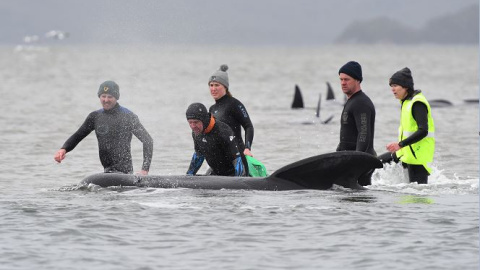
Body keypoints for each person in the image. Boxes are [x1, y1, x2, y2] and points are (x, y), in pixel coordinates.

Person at [54, 81, 153, 175]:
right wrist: (63, 149)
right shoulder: (95, 117)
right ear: (99, 97)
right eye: (103, 96)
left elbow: (148, 140)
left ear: (116, 97)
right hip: (106, 172)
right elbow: (78, 136)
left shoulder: (128, 116)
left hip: (125, 174)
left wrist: (145, 170)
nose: (106, 100)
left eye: (110, 97)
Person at [382, 67, 435, 184]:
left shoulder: (417, 103)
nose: (392, 89)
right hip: (405, 152)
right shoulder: (406, 102)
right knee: (376, 163)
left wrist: (400, 144)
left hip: (418, 157)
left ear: (405, 86)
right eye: (391, 86)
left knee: (417, 196)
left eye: (395, 85)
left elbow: (423, 130)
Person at [337, 61, 377, 186]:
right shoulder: (352, 101)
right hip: (352, 160)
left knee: (359, 201)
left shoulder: (361, 103)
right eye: (341, 79)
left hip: (360, 162)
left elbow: (364, 134)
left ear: (358, 80)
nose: (343, 83)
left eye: (347, 79)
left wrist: (356, 162)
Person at [185, 102, 247, 177]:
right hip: (215, 174)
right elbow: (199, 155)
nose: (193, 126)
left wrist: (237, 181)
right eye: (190, 122)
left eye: (196, 122)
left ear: (204, 120)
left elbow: (237, 161)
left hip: (233, 174)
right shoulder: (196, 133)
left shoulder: (223, 131)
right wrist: (189, 176)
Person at [208, 64, 254, 158]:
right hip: (222, 157)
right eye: (211, 85)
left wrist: (247, 148)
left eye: (217, 85)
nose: (213, 89)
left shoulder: (234, 104)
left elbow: (248, 126)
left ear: (225, 87)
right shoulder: (212, 109)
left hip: (238, 155)